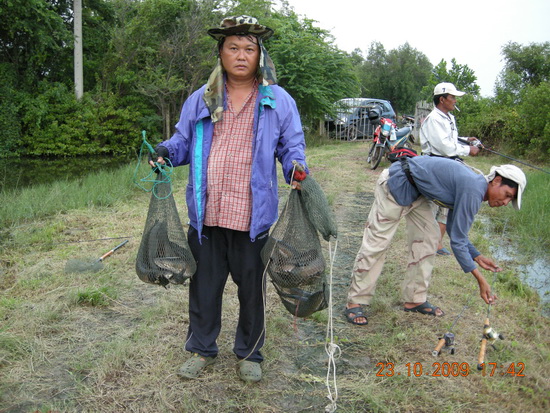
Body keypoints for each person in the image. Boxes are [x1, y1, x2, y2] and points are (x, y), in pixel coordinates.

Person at [149, 16, 308, 382]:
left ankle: (251, 353)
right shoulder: (201, 99)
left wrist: (296, 170)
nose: (240, 55)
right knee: (204, 288)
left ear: (260, 56)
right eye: (233, 48)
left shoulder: (277, 100)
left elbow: (292, 147)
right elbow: (183, 142)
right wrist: (165, 152)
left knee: (252, 291)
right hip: (207, 214)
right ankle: (201, 349)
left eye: (249, 49)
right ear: (220, 53)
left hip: (252, 217)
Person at [343, 156, 526, 325]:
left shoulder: (474, 189)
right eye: (508, 195)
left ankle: (414, 300)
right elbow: (458, 242)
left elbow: (456, 232)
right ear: (497, 181)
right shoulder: (473, 189)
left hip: (419, 192)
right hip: (397, 182)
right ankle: (355, 302)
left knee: (429, 239)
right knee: (377, 243)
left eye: (510, 200)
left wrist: (477, 256)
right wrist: (480, 279)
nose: (505, 202)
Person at [419, 82, 480, 256]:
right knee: (432, 205)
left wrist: (465, 139)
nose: (455, 100)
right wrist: (469, 149)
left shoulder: (448, 118)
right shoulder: (434, 119)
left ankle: (437, 243)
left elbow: (449, 139)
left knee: (447, 207)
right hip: (435, 165)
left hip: (449, 166)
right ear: (442, 99)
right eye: (452, 97)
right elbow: (444, 146)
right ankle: (427, 243)